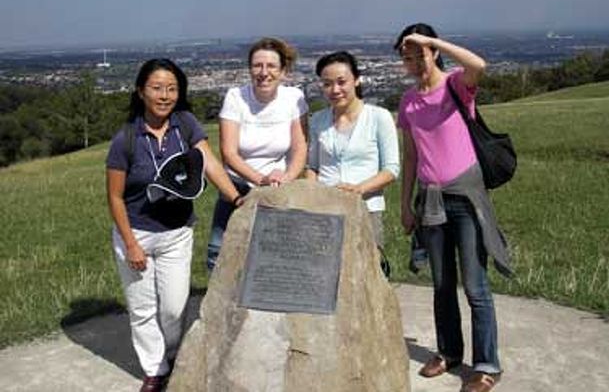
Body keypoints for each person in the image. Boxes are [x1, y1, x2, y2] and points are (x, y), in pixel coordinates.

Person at [106, 58, 242, 392]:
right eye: (156, 88)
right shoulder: (125, 139)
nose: (164, 95)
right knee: (142, 308)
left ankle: (169, 354)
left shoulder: (185, 124)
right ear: (141, 91)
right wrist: (131, 244)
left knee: (173, 306)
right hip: (136, 233)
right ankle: (155, 370)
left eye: (171, 88)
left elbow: (209, 162)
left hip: (177, 233)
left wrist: (235, 198)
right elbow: (115, 198)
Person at [396, 23, 512, 392]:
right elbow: (411, 155)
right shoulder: (408, 100)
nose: (412, 60)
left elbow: (479, 64)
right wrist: (405, 204)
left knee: (475, 286)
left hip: (464, 197)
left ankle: (486, 366)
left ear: (433, 52)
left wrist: (431, 40)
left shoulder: (456, 85)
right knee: (441, 283)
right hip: (430, 199)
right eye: (406, 55)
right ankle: (448, 352)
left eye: (419, 53)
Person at [206, 37, 308, 271]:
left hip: (280, 187)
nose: (264, 72)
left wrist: (287, 178)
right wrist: (261, 180)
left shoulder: (294, 98)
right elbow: (229, 153)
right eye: (257, 65)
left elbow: (300, 147)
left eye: (271, 66)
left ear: (283, 71)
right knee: (219, 256)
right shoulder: (235, 97)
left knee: (277, 260)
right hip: (237, 187)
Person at [306, 51, 399, 252]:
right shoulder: (317, 121)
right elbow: (312, 166)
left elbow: (391, 169)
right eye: (327, 84)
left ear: (356, 80)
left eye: (341, 82)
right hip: (325, 209)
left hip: (365, 208)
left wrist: (359, 189)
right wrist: (311, 197)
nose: (335, 89)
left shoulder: (378, 117)